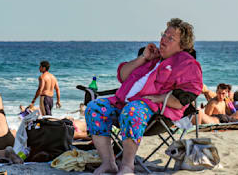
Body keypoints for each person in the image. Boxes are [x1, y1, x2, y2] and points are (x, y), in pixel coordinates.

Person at [84, 18, 203, 175]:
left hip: (155, 112)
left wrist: (161, 98)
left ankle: (127, 166)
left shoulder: (186, 64)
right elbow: (122, 75)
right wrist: (144, 58)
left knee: (132, 110)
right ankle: (109, 163)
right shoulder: (152, 58)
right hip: (123, 103)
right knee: (94, 108)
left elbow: (187, 95)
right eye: (164, 35)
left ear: (182, 46)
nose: (163, 39)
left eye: (170, 38)